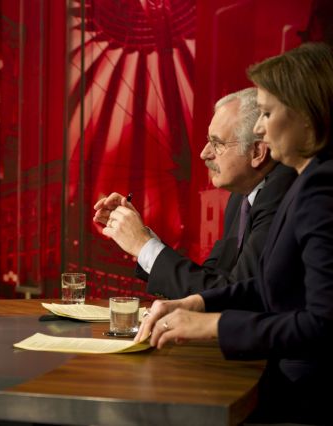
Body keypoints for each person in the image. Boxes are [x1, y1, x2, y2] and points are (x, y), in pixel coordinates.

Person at [135, 42, 333, 425]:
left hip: (303, 400)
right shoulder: (303, 182)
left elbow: (322, 324)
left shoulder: (321, 187)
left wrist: (213, 325)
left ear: (307, 118)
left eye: (267, 113)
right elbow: (270, 285)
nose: (259, 128)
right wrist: (197, 303)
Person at [93, 88, 296, 299]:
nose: (204, 153)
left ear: (257, 152)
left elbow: (236, 294)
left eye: (217, 144)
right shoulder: (241, 196)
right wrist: (140, 235)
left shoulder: (279, 194)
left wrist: (143, 245)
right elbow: (212, 278)